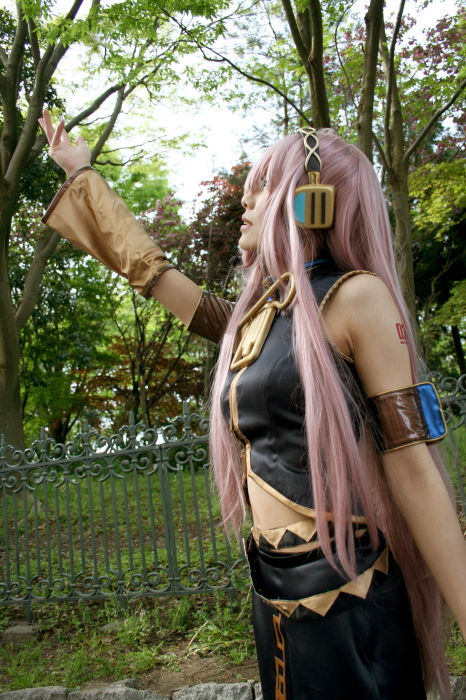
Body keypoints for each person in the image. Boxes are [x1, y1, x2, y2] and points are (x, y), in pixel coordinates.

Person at [39, 110, 466, 700]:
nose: (245, 198)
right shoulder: (255, 320)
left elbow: (414, 468)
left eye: (263, 184)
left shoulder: (357, 298)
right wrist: (83, 175)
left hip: (352, 601)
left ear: (311, 202)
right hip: (274, 597)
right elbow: (152, 271)